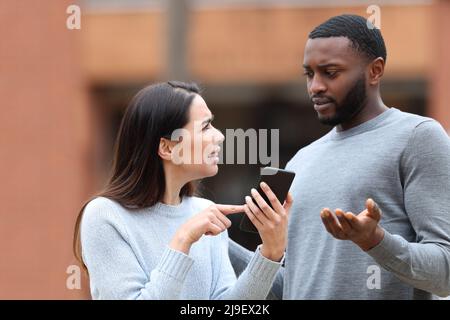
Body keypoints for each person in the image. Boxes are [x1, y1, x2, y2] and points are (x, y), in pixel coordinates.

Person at [231, 14, 450, 300]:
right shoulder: (301, 161)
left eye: (330, 72)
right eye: (309, 74)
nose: (315, 87)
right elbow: (296, 287)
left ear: (375, 71)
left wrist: (375, 241)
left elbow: (444, 273)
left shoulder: (417, 137)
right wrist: (217, 243)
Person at [73, 81, 293, 299]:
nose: (220, 136)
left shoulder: (205, 211)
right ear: (168, 147)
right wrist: (183, 239)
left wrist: (270, 252)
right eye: (205, 127)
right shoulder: (105, 216)